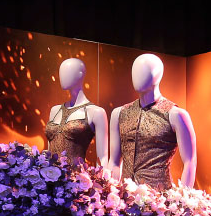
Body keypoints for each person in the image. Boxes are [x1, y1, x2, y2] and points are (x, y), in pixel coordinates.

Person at [109, 54, 196, 190]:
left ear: (158, 75)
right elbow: (114, 162)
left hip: (159, 197)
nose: (137, 76)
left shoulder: (175, 115)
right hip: (125, 197)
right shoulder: (119, 113)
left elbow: (190, 162)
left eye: (144, 71)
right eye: (135, 71)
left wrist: (182, 198)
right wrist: (111, 192)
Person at [45, 58, 108, 166]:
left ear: (80, 75)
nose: (62, 76)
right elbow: (49, 151)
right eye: (60, 72)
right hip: (48, 174)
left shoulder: (96, 112)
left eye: (66, 72)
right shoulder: (54, 110)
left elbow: (102, 158)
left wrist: (101, 175)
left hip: (76, 175)